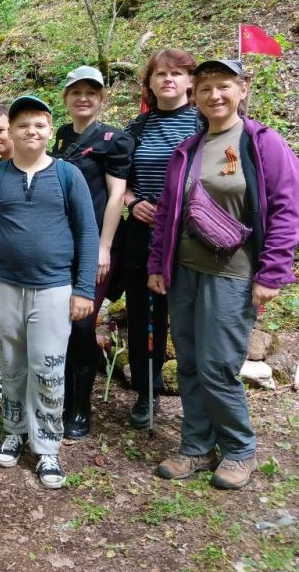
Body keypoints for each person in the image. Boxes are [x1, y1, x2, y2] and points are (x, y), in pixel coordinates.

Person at [148, 60, 299, 490]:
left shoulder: (262, 143)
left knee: (218, 365)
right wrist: (158, 265)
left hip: (233, 275)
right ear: (194, 96)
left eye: (224, 86)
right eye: (206, 88)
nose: (214, 95)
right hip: (185, 272)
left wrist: (272, 273)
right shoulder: (189, 149)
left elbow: (287, 209)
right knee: (190, 362)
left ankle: (239, 448)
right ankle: (196, 445)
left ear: (242, 90)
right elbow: (167, 213)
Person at [0, 96, 98, 489]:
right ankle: (15, 430)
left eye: (39, 124)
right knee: (11, 365)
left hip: (54, 287)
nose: (31, 131)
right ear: (12, 130)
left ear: (49, 129)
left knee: (48, 368)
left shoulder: (67, 175)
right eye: (23, 124)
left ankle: (47, 447)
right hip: (6, 285)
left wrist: (84, 289)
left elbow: (87, 233)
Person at [51, 66, 133, 438]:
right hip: (59, 244)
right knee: (61, 322)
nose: (83, 98)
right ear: (66, 98)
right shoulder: (61, 135)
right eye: (76, 92)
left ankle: (80, 408)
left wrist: (104, 246)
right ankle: (61, 398)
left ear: (101, 99)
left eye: (91, 93)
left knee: (82, 322)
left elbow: (116, 195)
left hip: (93, 245)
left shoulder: (114, 139)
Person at [122, 49, 200, 429]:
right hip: (144, 232)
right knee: (143, 316)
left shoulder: (204, 123)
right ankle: (146, 390)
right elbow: (120, 181)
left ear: (190, 81)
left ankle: (199, 399)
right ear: (150, 83)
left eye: (177, 73)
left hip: (191, 235)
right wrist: (132, 202)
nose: (168, 79)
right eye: (160, 74)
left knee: (191, 315)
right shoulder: (137, 128)